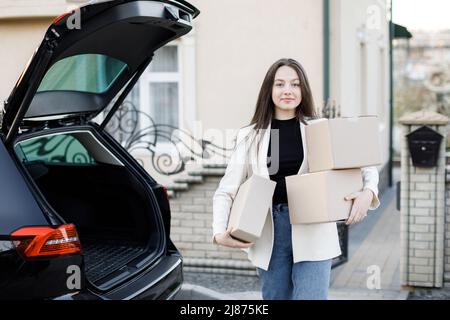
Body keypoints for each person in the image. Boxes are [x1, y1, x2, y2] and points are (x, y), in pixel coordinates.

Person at [211, 58, 380, 300]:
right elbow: (226, 190)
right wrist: (219, 232)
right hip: (270, 234)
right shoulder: (250, 136)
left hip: (315, 229)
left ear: (304, 90)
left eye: (295, 84)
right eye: (280, 84)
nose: (288, 90)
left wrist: (368, 192)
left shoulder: (319, 128)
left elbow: (363, 161)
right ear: (269, 90)